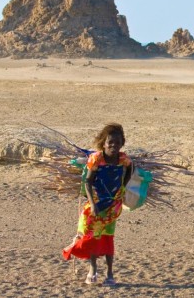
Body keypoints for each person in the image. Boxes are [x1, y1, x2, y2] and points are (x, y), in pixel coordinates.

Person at [62, 123, 134, 286]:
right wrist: (93, 204)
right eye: (110, 143)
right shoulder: (96, 159)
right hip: (96, 205)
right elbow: (87, 181)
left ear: (122, 143)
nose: (114, 146)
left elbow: (130, 169)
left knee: (108, 239)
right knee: (91, 237)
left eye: (117, 142)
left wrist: (123, 186)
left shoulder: (124, 159)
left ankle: (109, 274)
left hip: (112, 207)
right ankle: (93, 270)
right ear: (103, 143)